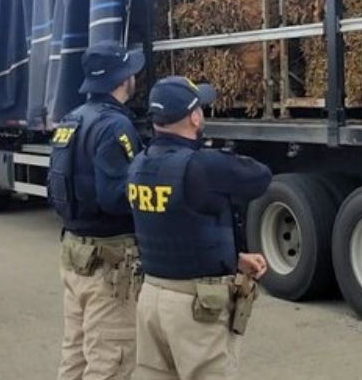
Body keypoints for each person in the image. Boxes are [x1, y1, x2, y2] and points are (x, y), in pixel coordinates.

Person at [128, 76, 273, 380]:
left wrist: (234, 260)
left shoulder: (139, 164)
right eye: (201, 109)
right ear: (194, 116)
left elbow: (178, 227)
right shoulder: (202, 166)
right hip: (194, 307)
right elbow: (260, 177)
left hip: (152, 297)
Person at [51, 42, 146, 380]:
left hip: (76, 252)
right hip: (110, 260)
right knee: (111, 360)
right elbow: (115, 197)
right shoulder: (115, 126)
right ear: (123, 79)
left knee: (75, 355)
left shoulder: (72, 119)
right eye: (131, 71)